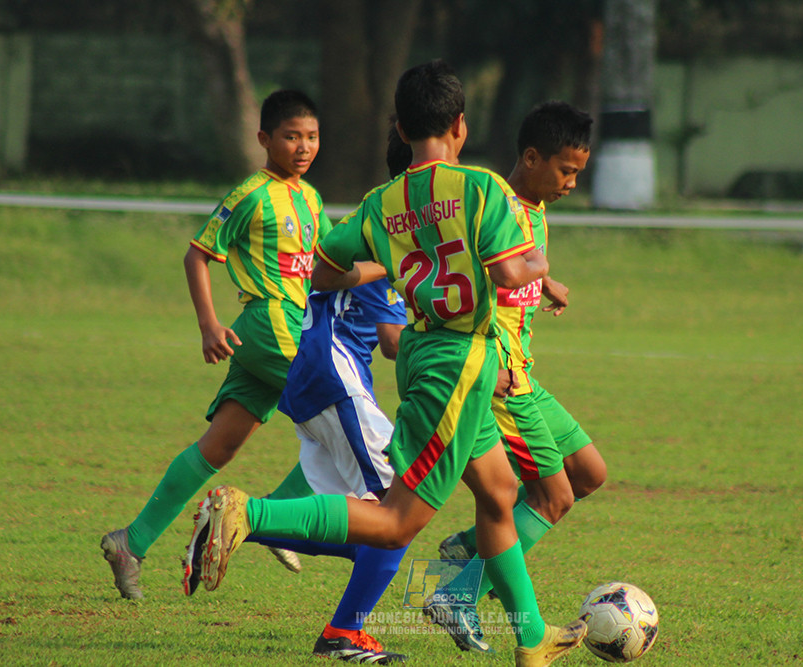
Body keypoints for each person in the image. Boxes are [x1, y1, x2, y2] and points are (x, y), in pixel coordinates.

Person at [192, 60, 587, 667]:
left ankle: (532, 639)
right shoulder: (480, 187)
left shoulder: (383, 201)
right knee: (399, 521)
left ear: (401, 127)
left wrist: (391, 266)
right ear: (459, 124)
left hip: (432, 354)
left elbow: (324, 270)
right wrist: (539, 268)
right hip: (458, 363)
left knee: (501, 493)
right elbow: (511, 273)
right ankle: (250, 511)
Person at [181, 126, 414, 665]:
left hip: (313, 375)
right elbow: (392, 341)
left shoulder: (375, 216)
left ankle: (248, 521)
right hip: (334, 377)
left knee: (365, 527)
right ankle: (344, 633)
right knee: (400, 511)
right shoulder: (396, 228)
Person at [100, 89, 331, 600]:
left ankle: (130, 543)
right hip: (268, 322)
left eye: (311, 137)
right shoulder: (251, 193)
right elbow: (197, 254)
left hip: (288, 327)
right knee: (341, 417)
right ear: (264, 139)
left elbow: (327, 263)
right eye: (291, 136)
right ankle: (281, 518)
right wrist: (208, 324)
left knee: (220, 447)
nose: (303, 147)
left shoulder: (311, 198)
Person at [426, 101, 608, 653]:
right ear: (531, 158)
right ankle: (457, 594)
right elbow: (475, 274)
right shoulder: (494, 205)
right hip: (502, 379)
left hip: (527, 374)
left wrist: (543, 284)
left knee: (589, 472)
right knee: (554, 498)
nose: (572, 183)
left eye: (579, 172)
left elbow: (517, 270)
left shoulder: (533, 205)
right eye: (566, 170)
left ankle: (466, 546)